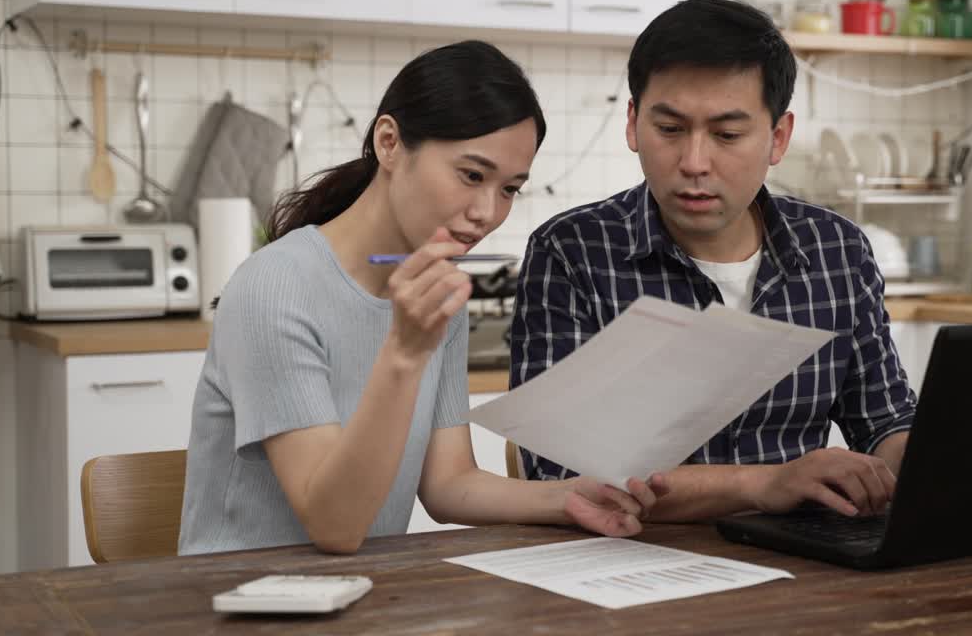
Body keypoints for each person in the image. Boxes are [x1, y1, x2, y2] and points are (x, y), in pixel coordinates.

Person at [179, 40, 664, 556]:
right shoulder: (274, 288)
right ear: (389, 143)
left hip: (359, 594)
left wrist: (566, 498)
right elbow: (335, 525)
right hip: (242, 601)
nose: (487, 212)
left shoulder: (432, 288)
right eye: (472, 175)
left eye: (509, 189)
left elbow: (447, 483)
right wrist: (405, 352)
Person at [509, 0, 916, 522]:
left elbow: (883, 421)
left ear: (778, 137)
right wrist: (763, 483)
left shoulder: (836, 249)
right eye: (670, 129)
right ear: (633, 124)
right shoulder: (572, 252)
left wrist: (930, 460)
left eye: (727, 135)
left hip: (804, 566)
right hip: (630, 565)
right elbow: (557, 476)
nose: (695, 163)